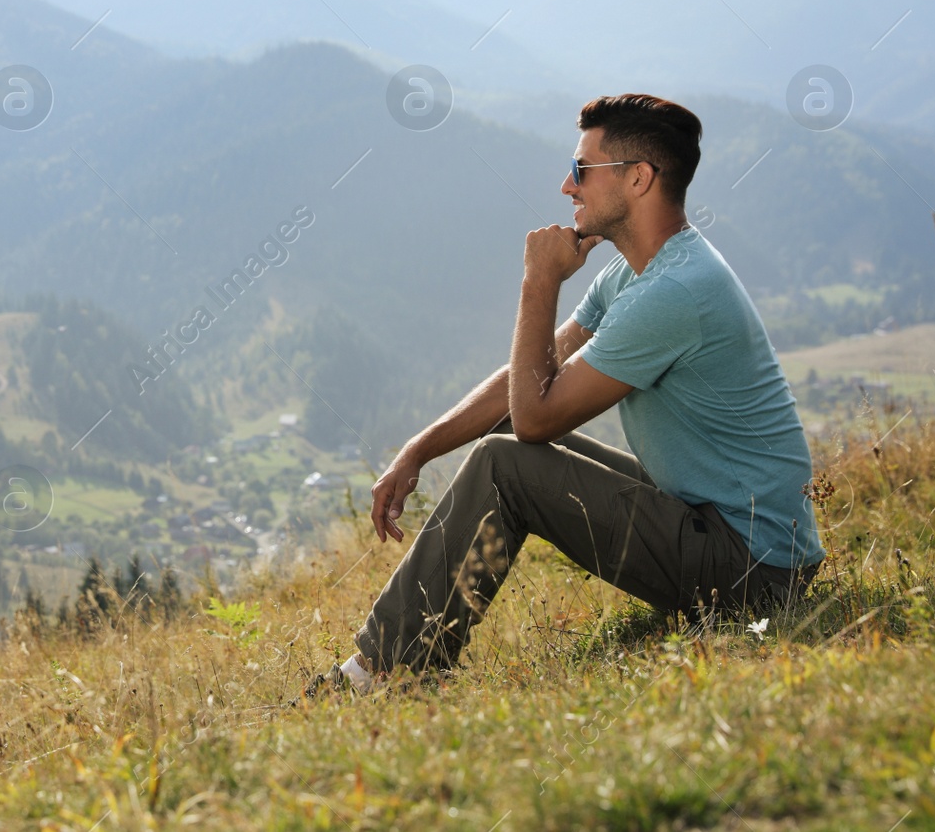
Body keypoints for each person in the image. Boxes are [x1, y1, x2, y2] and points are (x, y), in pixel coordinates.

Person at [307, 93, 824, 697]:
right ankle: (406, 657)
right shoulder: (636, 270)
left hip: (753, 571)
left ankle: (388, 671)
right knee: (499, 444)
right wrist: (419, 450)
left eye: (582, 170)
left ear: (637, 178)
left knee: (507, 460)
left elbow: (535, 419)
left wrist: (538, 281)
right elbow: (529, 379)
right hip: (725, 531)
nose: (566, 186)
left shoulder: (674, 291)